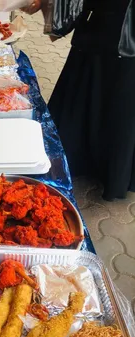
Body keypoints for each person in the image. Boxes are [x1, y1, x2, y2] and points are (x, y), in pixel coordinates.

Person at [48, 0, 135, 201]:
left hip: (104, 35)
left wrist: (57, 24)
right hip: (105, 36)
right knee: (120, 108)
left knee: (95, 97)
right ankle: (113, 174)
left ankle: (73, 161)